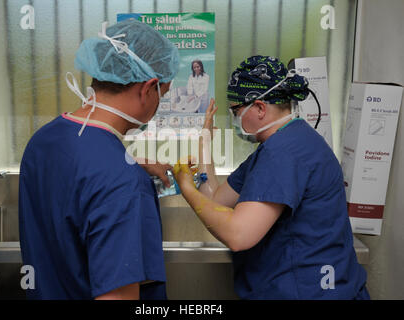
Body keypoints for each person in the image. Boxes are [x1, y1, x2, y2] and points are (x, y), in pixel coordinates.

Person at [173, 55, 370, 300]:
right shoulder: (280, 144)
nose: (234, 119)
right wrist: (204, 142)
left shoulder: (284, 154)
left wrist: (187, 189)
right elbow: (216, 201)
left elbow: (238, 235)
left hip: (310, 292)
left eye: (236, 111)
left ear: (259, 108)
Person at [18, 19, 179, 300]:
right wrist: (125, 171)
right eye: (162, 96)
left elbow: (77, 178)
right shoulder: (124, 182)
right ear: (148, 88)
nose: (158, 106)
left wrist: (127, 162)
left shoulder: (43, 140)